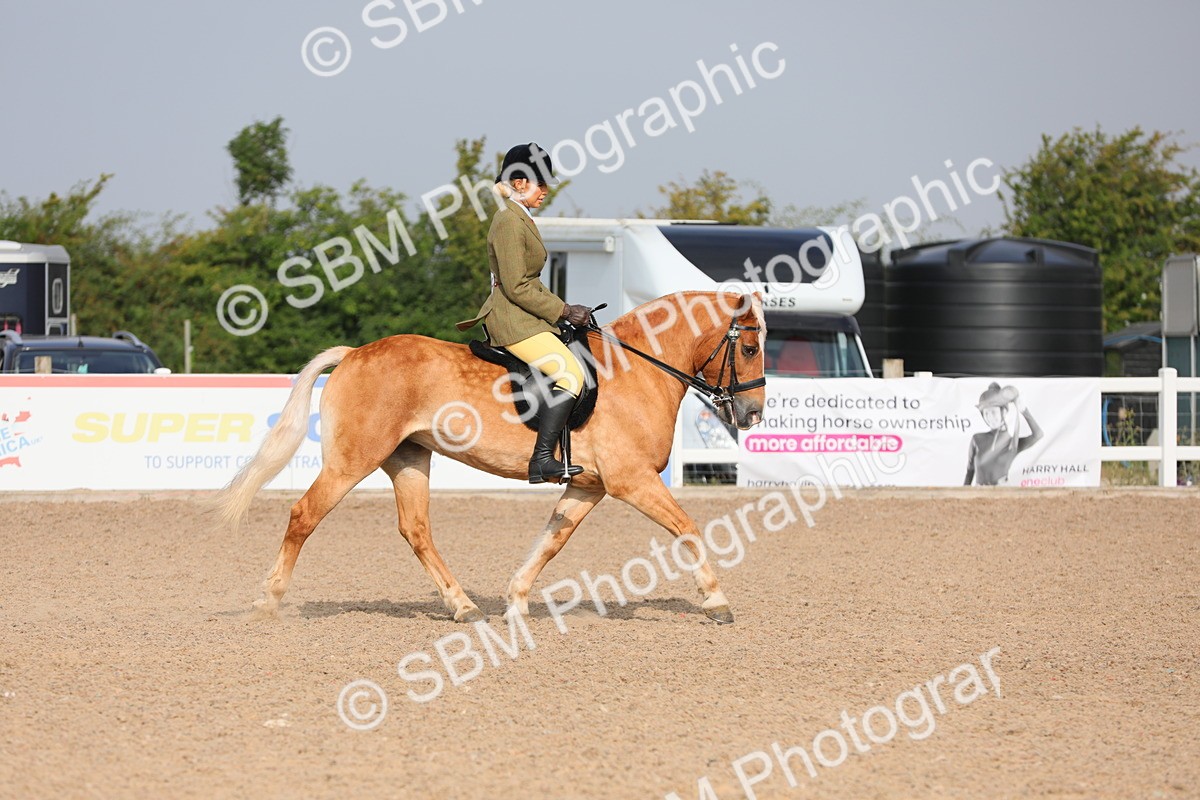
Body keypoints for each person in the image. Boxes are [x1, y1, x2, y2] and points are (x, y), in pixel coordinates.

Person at [456, 142, 591, 484]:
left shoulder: (522, 218)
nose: (545, 191)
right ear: (518, 183)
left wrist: (567, 312)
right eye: (539, 184)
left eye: (546, 184)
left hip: (526, 315)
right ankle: (541, 459)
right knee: (570, 375)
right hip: (510, 319)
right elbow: (516, 286)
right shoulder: (508, 222)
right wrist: (562, 310)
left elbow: (532, 281)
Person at [963, 383, 1044, 486]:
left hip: (1003, 494)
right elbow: (970, 471)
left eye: (993, 412)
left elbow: (1038, 434)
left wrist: (1024, 410)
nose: (989, 417)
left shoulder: (1012, 442)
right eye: (986, 413)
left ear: (1004, 412)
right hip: (979, 495)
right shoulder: (977, 439)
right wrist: (962, 495)